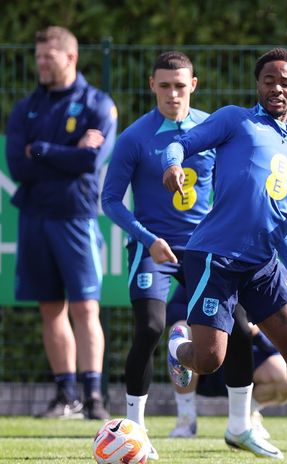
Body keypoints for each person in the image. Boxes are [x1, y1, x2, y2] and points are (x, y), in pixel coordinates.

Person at [101, 51, 279, 459]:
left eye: (180, 85)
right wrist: (147, 239)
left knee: (235, 323)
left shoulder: (211, 129)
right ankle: (136, 432)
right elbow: (111, 201)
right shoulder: (134, 137)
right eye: (164, 85)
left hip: (205, 248)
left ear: (193, 85)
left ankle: (239, 427)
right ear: (152, 86)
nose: (172, 93)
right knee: (149, 327)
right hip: (154, 248)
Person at [161, 47, 287, 464]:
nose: (276, 88)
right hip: (215, 258)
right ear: (258, 85)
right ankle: (179, 347)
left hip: (262, 264)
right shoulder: (236, 119)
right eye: (269, 80)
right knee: (209, 361)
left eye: (285, 81)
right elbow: (182, 142)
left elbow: (279, 222)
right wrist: (174, 165)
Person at [5, 26, 117, 420]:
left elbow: (91, 161)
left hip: (75, 217)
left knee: (86, 309)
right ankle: (65, 396)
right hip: (34, 216)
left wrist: (42, 150)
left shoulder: (97, 104)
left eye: (47, 58)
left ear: (70, 58)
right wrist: (64, 154)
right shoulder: (25, 108)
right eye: (37, 57)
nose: (40, 64)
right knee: (50, 310)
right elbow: (17, 164)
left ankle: (94, 398)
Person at [165, 286, 287, 441]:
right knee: (180, 329)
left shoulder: (271, 274)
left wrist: (257, 330)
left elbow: (282, 335)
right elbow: (173, 310)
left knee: (284, 375)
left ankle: (245, 416)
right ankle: (186, 419)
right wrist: (209, 320)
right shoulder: (204, 266)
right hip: (206, 355)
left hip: (248, 358)